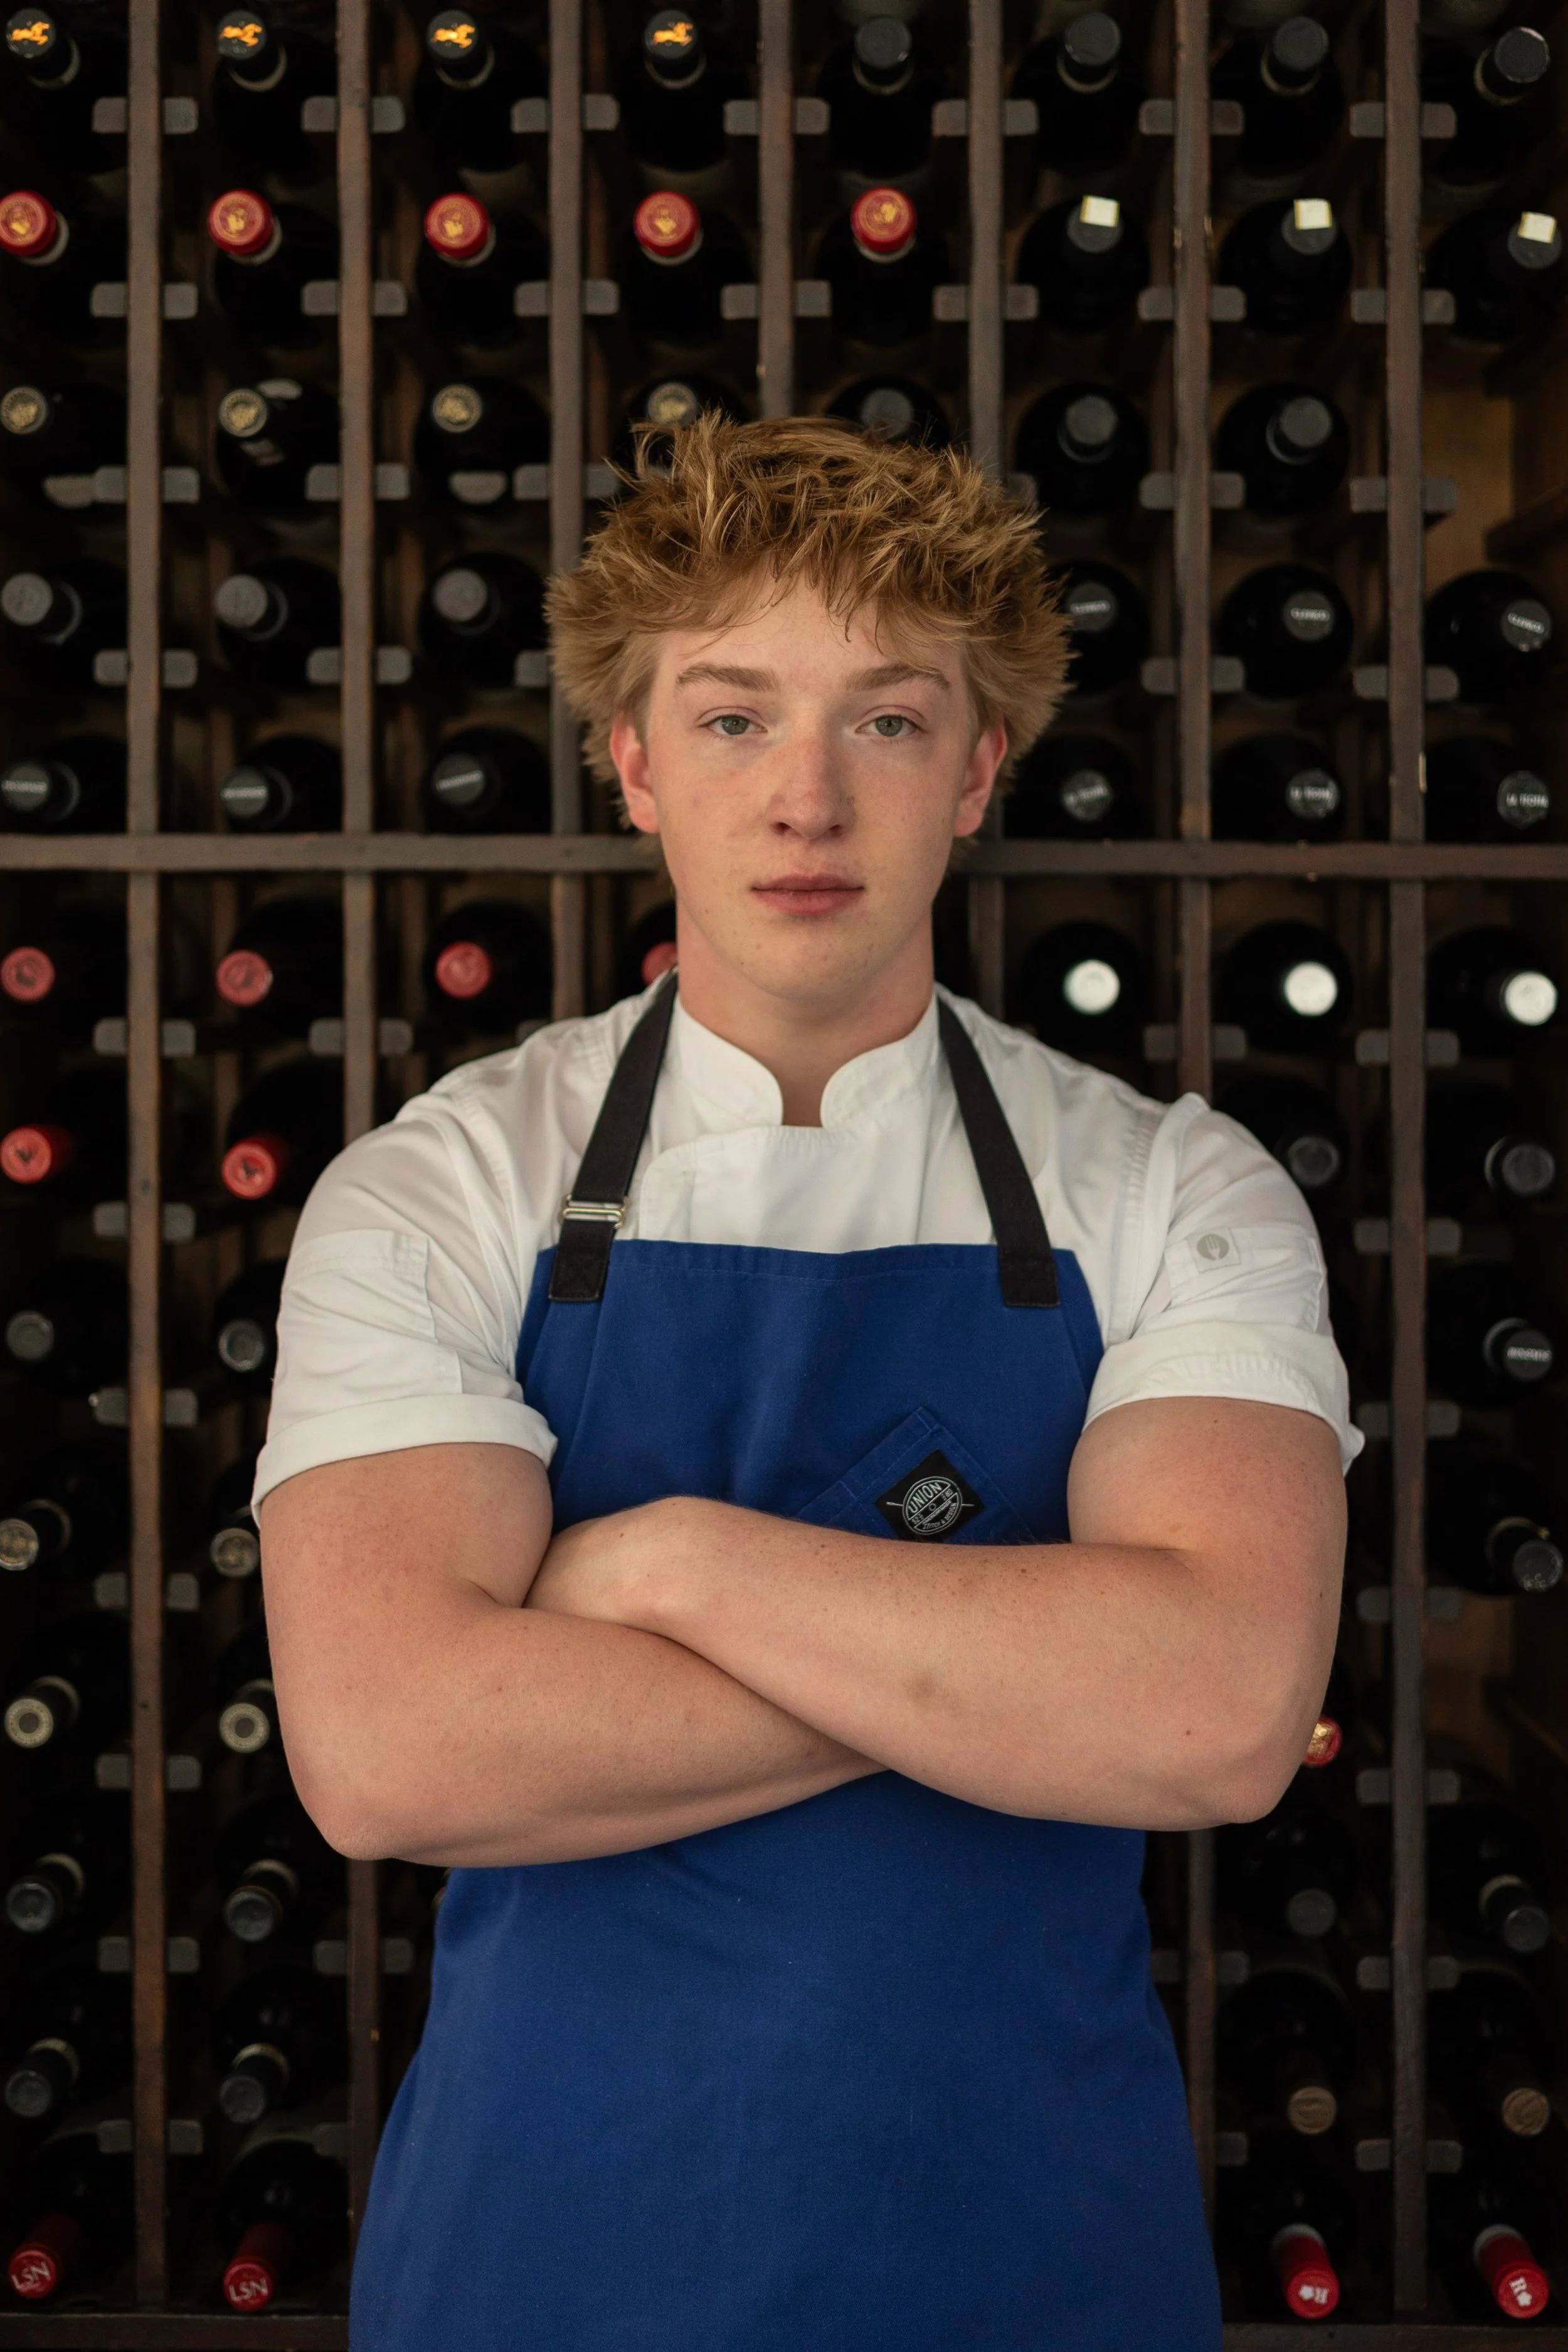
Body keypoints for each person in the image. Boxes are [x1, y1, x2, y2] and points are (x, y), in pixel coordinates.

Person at [256, 413, 1357, 2349]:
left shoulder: (1170, 1181)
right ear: (633, 764)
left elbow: (1208, 1719)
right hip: (547, 2253)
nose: (807, 799)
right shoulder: (444, 1179)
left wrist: (665, 1559)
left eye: (890, 718)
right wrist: (1015, 1666)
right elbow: (388, 1753)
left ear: (979, 767)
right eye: (734, 714)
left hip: (1031, 2257)